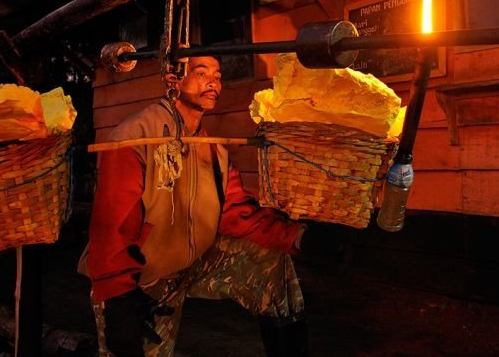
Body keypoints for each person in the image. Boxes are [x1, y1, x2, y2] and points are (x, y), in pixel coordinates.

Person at [78, 56, 325, 356]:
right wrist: (118, 300)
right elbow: (111, 225)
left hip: (189, 267)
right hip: (139, 281)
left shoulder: (213, 149)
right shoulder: (137, 134)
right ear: (173, 81)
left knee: (270, 261)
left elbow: (235, 213)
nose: (213, 82)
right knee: (132, 348)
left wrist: (298, 237)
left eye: (218, 76)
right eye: (201, 72)